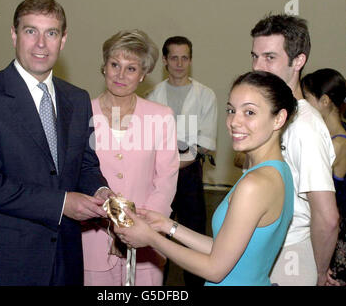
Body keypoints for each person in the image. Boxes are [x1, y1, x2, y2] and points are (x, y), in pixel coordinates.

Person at [0, 0, 112, 286]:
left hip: (65, 259)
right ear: (14, 35)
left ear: (63, 40)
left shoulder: (77, 99)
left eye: (51, 33)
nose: (41, 43)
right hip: (6, 261)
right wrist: (62, 203)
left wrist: (101, 191)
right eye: (31, 31)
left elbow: (86, 165)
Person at [116, 71, 297, 286]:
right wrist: (167, 226)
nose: (234, 122)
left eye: (249, 112)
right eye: (231, 110)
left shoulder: (255, 184)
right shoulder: (279, 171)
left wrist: (151, 238)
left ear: (278, 118)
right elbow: (223, 249)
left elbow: (215, 269)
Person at [81, 30, 179, 286]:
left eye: (131, 68)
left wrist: (137, 230)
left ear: (143, 75)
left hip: (146, 240)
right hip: (92, 241)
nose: (120, 75)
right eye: (115, 65)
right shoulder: (81, 113)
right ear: (104, 67)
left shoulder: (161, 116)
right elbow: (76, 175)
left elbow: (166, 181)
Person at [250, 14, 339, 286]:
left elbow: (327, 216)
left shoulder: (305, 126)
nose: (257, 67)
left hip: (289, 255)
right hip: (261, 250)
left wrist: (320, 273)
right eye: (254, 56)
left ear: (298, 61)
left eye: (269, 57)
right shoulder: (273, 116)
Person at [147, 36, 217, 286]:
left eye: (184, 57)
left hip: (188, 175)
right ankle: (155, 285)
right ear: (165, 61)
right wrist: (163, 169)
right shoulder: (153, 95)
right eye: (173, 57)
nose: (179, 63)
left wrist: (172, 166)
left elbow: (204, 142)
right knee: (155, 232)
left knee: (193, 235)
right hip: (156, 176)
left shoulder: (205, 95)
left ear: (190, 60)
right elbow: (148, 141)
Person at [302, 68, 346, 285]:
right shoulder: (324, 136)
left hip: (334, 235)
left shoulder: (339, 143)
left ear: (324, 101)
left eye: (307, 99)